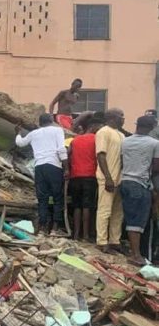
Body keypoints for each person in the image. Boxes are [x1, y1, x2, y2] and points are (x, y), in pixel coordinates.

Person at [15, 113, 69, 235]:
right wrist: (66, 168)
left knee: (42, 198)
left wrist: (18, 132)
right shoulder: (57, 130)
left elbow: (20, 143)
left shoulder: (34, 134)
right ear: (51, 120)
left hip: (39, 167)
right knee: (57, 197)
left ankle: (42, 228)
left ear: (40, 123)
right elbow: (61, 149)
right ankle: (55, 228)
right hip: (53, 166)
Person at [120, 116, 159, 265]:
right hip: (141, 183)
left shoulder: (125, 141)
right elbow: (156, 167)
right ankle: (136, 255)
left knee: (130, 218)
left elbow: (123, 161)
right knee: (138, 221)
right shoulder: (154, 143)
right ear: (151, 127)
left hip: (126, 181)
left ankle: (135, 253)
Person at [68, 113, 104, 241]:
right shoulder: (96, 140)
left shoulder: (75, 139)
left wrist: (68, 169)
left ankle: (76, 234)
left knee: (77, 206)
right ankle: (86, 235)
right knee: (87, 206)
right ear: (94, 127)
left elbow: (67, 154)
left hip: (75, 176)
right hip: (90, 176)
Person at [96, 109, 127, 253]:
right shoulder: (104, 132)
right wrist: (108, 178)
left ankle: (115, 241)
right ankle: (102, 242)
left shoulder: (121, 135)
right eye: (121, 116)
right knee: (105, 211)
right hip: (107, 179)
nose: (123, 119)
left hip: (120, 180)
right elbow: (101, 155)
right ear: (112, 118)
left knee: (117, 213)